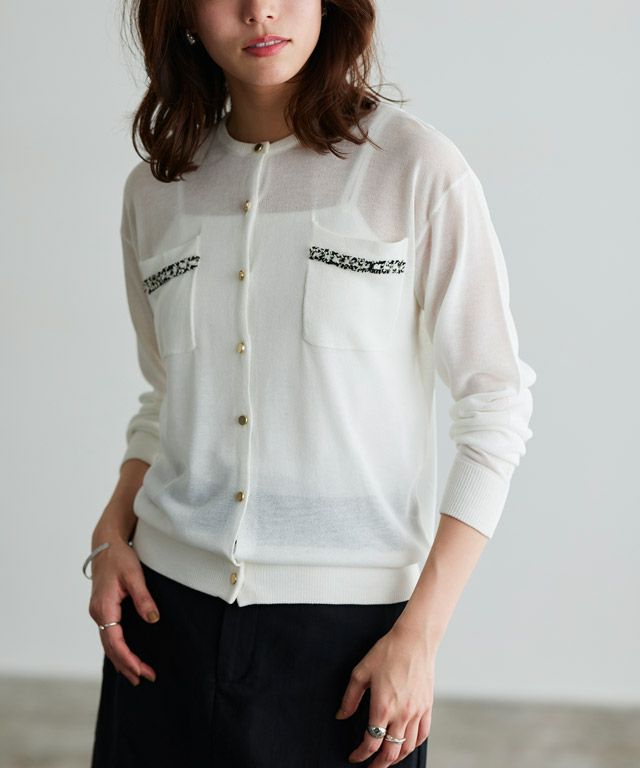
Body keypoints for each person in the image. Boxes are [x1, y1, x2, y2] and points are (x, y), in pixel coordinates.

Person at [86, 0, 537, 766]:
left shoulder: (415, 169)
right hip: (163, 622)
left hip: (348, 647)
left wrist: (421, 635)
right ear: (184, 16)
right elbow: (165, 398)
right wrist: (109, 534)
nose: (259, 10)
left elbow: (496, 405)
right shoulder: (155, 189)